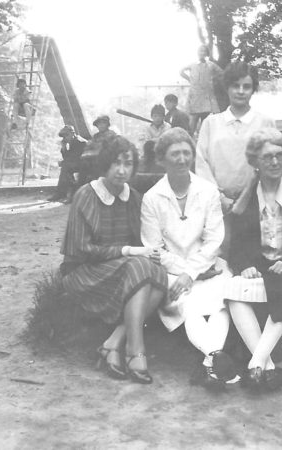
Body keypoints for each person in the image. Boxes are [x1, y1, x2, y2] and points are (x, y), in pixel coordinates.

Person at [60, 135, 168, 384]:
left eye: (128, 164)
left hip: (121, 269)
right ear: (105, 164)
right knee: (141, 266)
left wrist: (144, 251)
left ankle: (114, 342)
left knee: (159, 273)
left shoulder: (134, 198)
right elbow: (81, 250)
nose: (121, 171)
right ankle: (135, 351)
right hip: (84, 271)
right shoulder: (87, 195)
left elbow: (145, 239)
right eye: (116, 163)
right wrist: (129, 251)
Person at [141, 128, 236, 390]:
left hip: (209, 266)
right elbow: (154, 248)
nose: (182, 159)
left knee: (219, 304)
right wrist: (187, 273)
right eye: (175, 154)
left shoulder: (208, 191)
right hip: (172, 271)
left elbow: (214, 239)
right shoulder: (151, 198)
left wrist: (194, 271)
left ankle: (211, 364)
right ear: (162, 159)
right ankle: (217, 359)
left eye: (186, 153)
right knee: (189, 304)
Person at [225, 128, 282, 391]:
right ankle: (265, 367)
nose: (274, 162)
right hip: (260, 262)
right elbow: (238, 243)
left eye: (279, 156)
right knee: (233, 290)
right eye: (267, 158)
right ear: (255, 163)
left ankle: (256, 364)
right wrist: (245, 265)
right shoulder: (247, 197)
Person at [196, 61, 276, 215]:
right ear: (227, 88)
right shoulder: (210, 123)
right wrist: (219, 198)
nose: (241, 91)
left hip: (255, 204)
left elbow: (273, 163)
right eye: (235, 86)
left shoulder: (265, 122)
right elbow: (201, 164)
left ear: (253, 90)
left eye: (246, 86)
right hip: (217, 205)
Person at [180, 44, 223, 136]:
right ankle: (190, 140)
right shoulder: (192, 65)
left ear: (207, 53)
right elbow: (181, 71)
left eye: (204, 51)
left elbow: (221, 73)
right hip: (195, 94)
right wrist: (189, 79)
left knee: (205, 119)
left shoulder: (211, 65)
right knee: (193, 118)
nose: (202, 53)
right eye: (200, 51)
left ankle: (203, 141)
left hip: (206, 95)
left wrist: (212, 81)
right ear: (197, 53)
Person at [48, 125, 87, 203]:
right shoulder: (73, 141)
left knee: (65, 167)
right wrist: (64, 148)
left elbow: (75, 158)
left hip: (87, 164)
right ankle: (64, 194)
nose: (65, 138)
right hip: (79, 163)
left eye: (67, 135)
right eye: (64, 136)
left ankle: (62, 194)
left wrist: (64, 162)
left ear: (73, 134)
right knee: (66, 168)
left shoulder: (80, 142)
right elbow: (68, 158)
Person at [81, 115, 118, 182]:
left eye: (103, 123)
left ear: (107, 125)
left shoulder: (111, 135)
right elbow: (87, 148)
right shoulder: (96, 136)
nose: (101, 125)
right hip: (93, 160)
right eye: (99, 124)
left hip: (106, 161)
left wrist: (92, 151)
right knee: (83, 165)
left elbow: (106, 149)